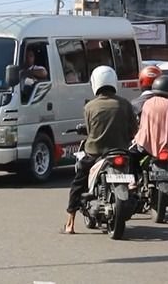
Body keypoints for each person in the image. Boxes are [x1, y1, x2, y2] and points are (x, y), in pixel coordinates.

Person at [62, 66, 138, 234]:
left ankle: (70, 222)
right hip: (121, 152)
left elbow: (89, 130)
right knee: (135, 174)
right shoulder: (125, 104)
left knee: (78, 182)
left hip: (95, 153)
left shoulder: (90, 106)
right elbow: (134, 129)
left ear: (95, 83)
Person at [134, 74, 168, 218]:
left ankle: (133, 183)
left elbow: (141, 124)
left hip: (146, 146)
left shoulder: (147, 103)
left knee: (132, 161)